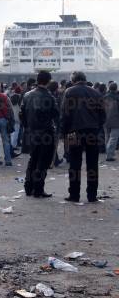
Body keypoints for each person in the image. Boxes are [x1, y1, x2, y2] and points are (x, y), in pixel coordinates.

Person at [60, 71, 106, 203]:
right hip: (92, 132)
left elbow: (65, 114)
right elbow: (103, 115)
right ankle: (92, 195)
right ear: (85, 80)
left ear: (73, 80)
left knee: (74, 164)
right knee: (92, 164)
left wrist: (64, 132)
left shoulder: (69, 92)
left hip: (74, 132)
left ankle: (74, 195)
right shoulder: (95, 92)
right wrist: (96, 127)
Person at [21, 71, 59, 198]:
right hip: (46, 133)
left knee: (33, 159)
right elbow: (55, 114)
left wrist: (27, 127)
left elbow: (22, 114)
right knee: (43, 162)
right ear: (48, 81)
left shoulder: (27, 95)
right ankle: (38, 189)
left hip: (32, 132)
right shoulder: (49, 96)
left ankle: (28, 187)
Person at [104, 82, 119, 162]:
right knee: (113, 138)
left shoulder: (104, 97)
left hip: (106, 120)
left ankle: (108, 153)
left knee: (108, 137)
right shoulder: (117, 98)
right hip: (115, 121)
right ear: (116, 88)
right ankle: (109, 155)